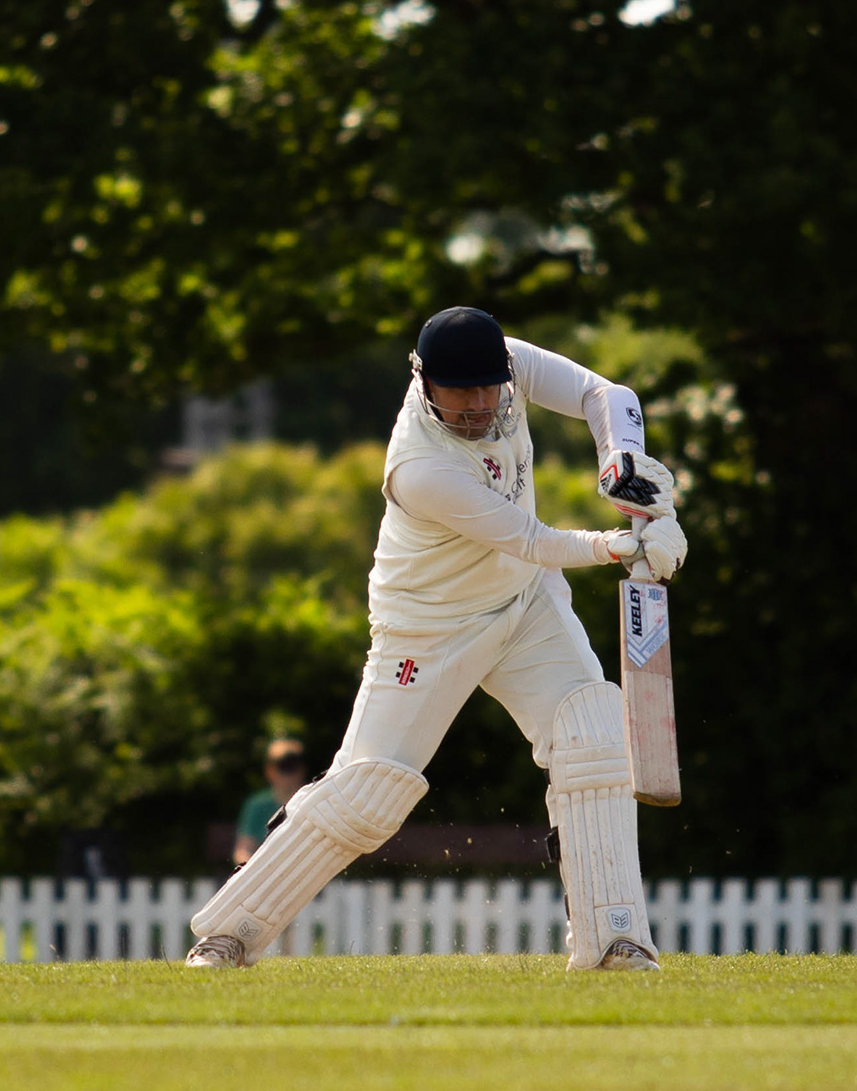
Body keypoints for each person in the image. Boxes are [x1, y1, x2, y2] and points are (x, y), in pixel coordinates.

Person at [185, 308, 687, 972]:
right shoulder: (420, 466)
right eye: (460, 392)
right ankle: (228, 934)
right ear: (423, 382)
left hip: (525, 605)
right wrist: (626, 544)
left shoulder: (505, 366)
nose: (480, 404)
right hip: (429, 627)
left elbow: (608, 396)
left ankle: (614, 942)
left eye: (489, 387)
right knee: (370, 795)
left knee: (594, 737)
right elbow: (531, 538)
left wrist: (622, 462)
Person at [234, 740, 307, 865]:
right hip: (267, 874)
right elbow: (244, 848)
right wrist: (252, 870)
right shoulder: (257, 805)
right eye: (282, 765)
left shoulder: (310, 801)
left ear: (302, 769)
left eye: (293, 765)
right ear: (269, 770)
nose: (288, 773)